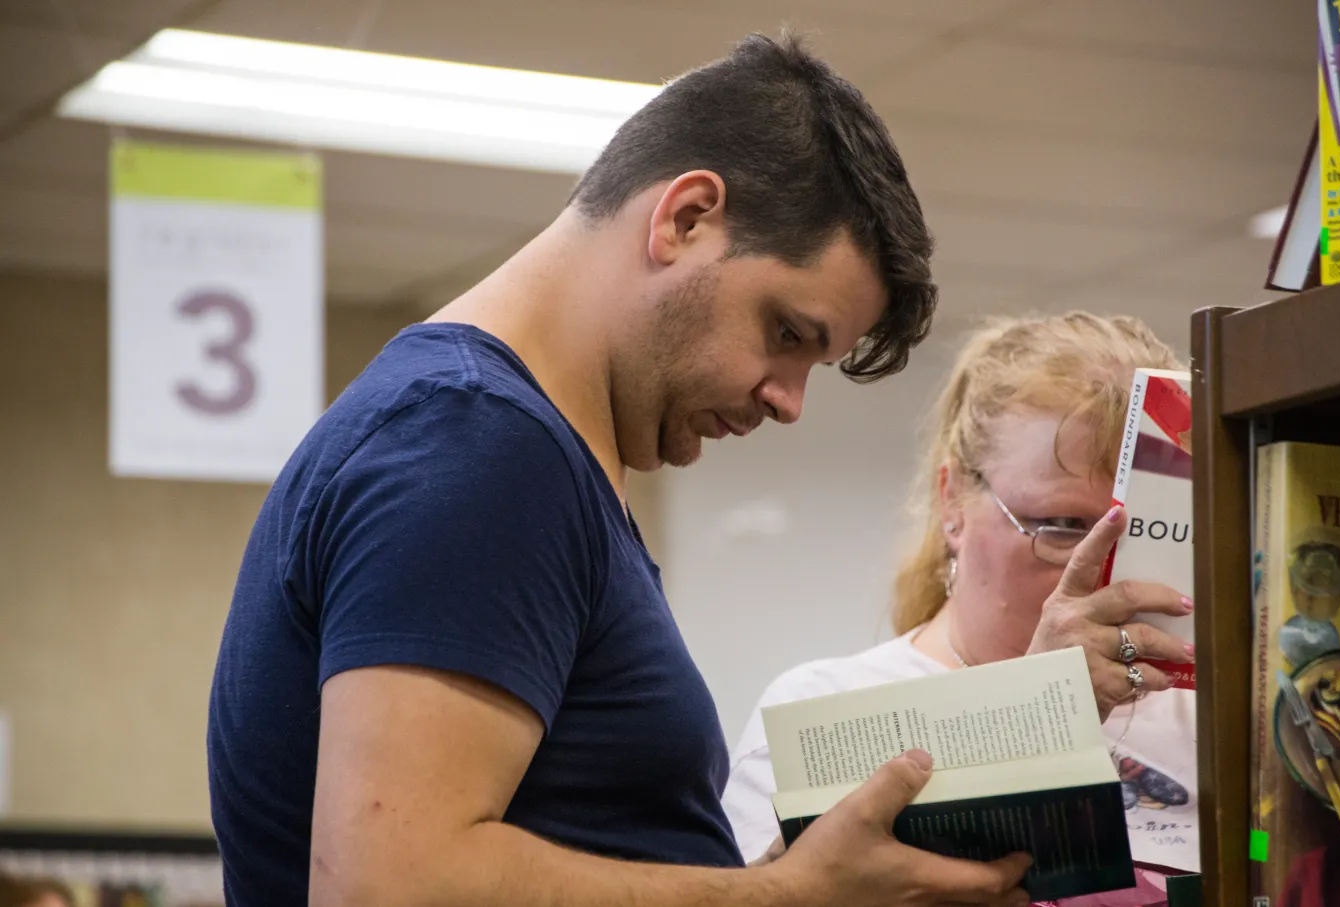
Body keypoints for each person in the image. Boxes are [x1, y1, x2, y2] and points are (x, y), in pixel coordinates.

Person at [207, 31, 1038, 907]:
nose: (789, 400)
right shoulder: (476, 443)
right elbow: (388, 886)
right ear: (685, 219)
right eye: (786, 332)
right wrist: (788, 898)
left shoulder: (518, 452)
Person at [722, 312, 1198, 906]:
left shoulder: (1197, 718)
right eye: (1065, 525)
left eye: (1143, 534)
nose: (1103, 572)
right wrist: (1038, 704)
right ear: (952, 503)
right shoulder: (824, 707)